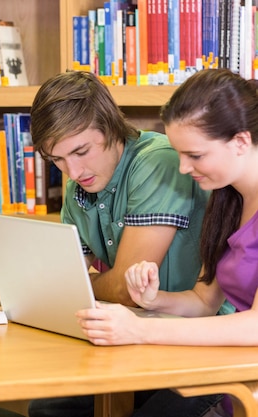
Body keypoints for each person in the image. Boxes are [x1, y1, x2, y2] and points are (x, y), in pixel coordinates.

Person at [26, 71, 223, 417]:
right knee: (49, 408)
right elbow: (66, 279)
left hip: (198, 337)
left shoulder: (157, 161)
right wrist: (31, 283)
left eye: (81, 151)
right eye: (56, 161)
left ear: (111, 126)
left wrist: (59, 285)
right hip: (137, 330)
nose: (72, 172)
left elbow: (121, 288)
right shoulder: (80, 184)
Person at [77, 68, 258, 417]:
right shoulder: (228, 199)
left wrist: (141, 329)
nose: (183, 168)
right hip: (235, 378)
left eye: (196, 155)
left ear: (240, 142)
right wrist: (153, 300)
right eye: (179, 155)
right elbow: (205, 300)